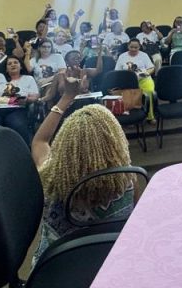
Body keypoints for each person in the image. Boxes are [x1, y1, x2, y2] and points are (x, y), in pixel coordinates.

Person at [31, 77, 134, 265]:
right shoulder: (127, 181)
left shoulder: (51, 180)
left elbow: (40, 141)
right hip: (114, 264)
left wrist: (67, 97)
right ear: (114, 143)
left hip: (57, 268)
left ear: (64, 144)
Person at [0, 55, 40, 143]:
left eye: (15, 62)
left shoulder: (28, 78)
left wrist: (27, 100)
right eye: (9, 64)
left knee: (20, 127)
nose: (13, 65)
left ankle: (25, 150)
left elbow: (35, 96)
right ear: (6, 69)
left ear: (21, 66)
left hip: (16, 109)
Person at [116, 39, 156, 122]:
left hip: (143, 79)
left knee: (150, 91)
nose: (133, 49)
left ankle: (150, 116)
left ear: (139, 47)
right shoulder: (122, 56)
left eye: (136, 47)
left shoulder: (144, 55)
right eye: (131, 47)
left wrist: (144, 74)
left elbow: (151, 68)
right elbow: (117, 71)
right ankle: (131, 118)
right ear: (128, 46)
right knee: (127, 95)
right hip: (128, 81)